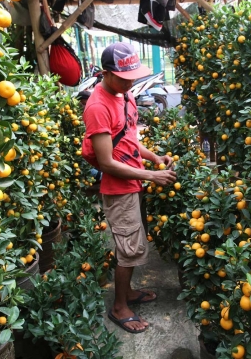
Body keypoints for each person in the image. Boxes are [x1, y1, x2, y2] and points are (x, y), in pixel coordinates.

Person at [82, 42, 177, 334]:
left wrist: (154, 157)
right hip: (118, 189)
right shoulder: (98, 107)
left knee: (133, 245)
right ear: (106, 74)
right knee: (129, 249)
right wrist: (151, 175)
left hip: (134, 182)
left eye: (133, 75)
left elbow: (128, 139)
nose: (131, 80)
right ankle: (119, 307)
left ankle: (130, 292)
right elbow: (106, 162)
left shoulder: (125, 96)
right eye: (125, 77)